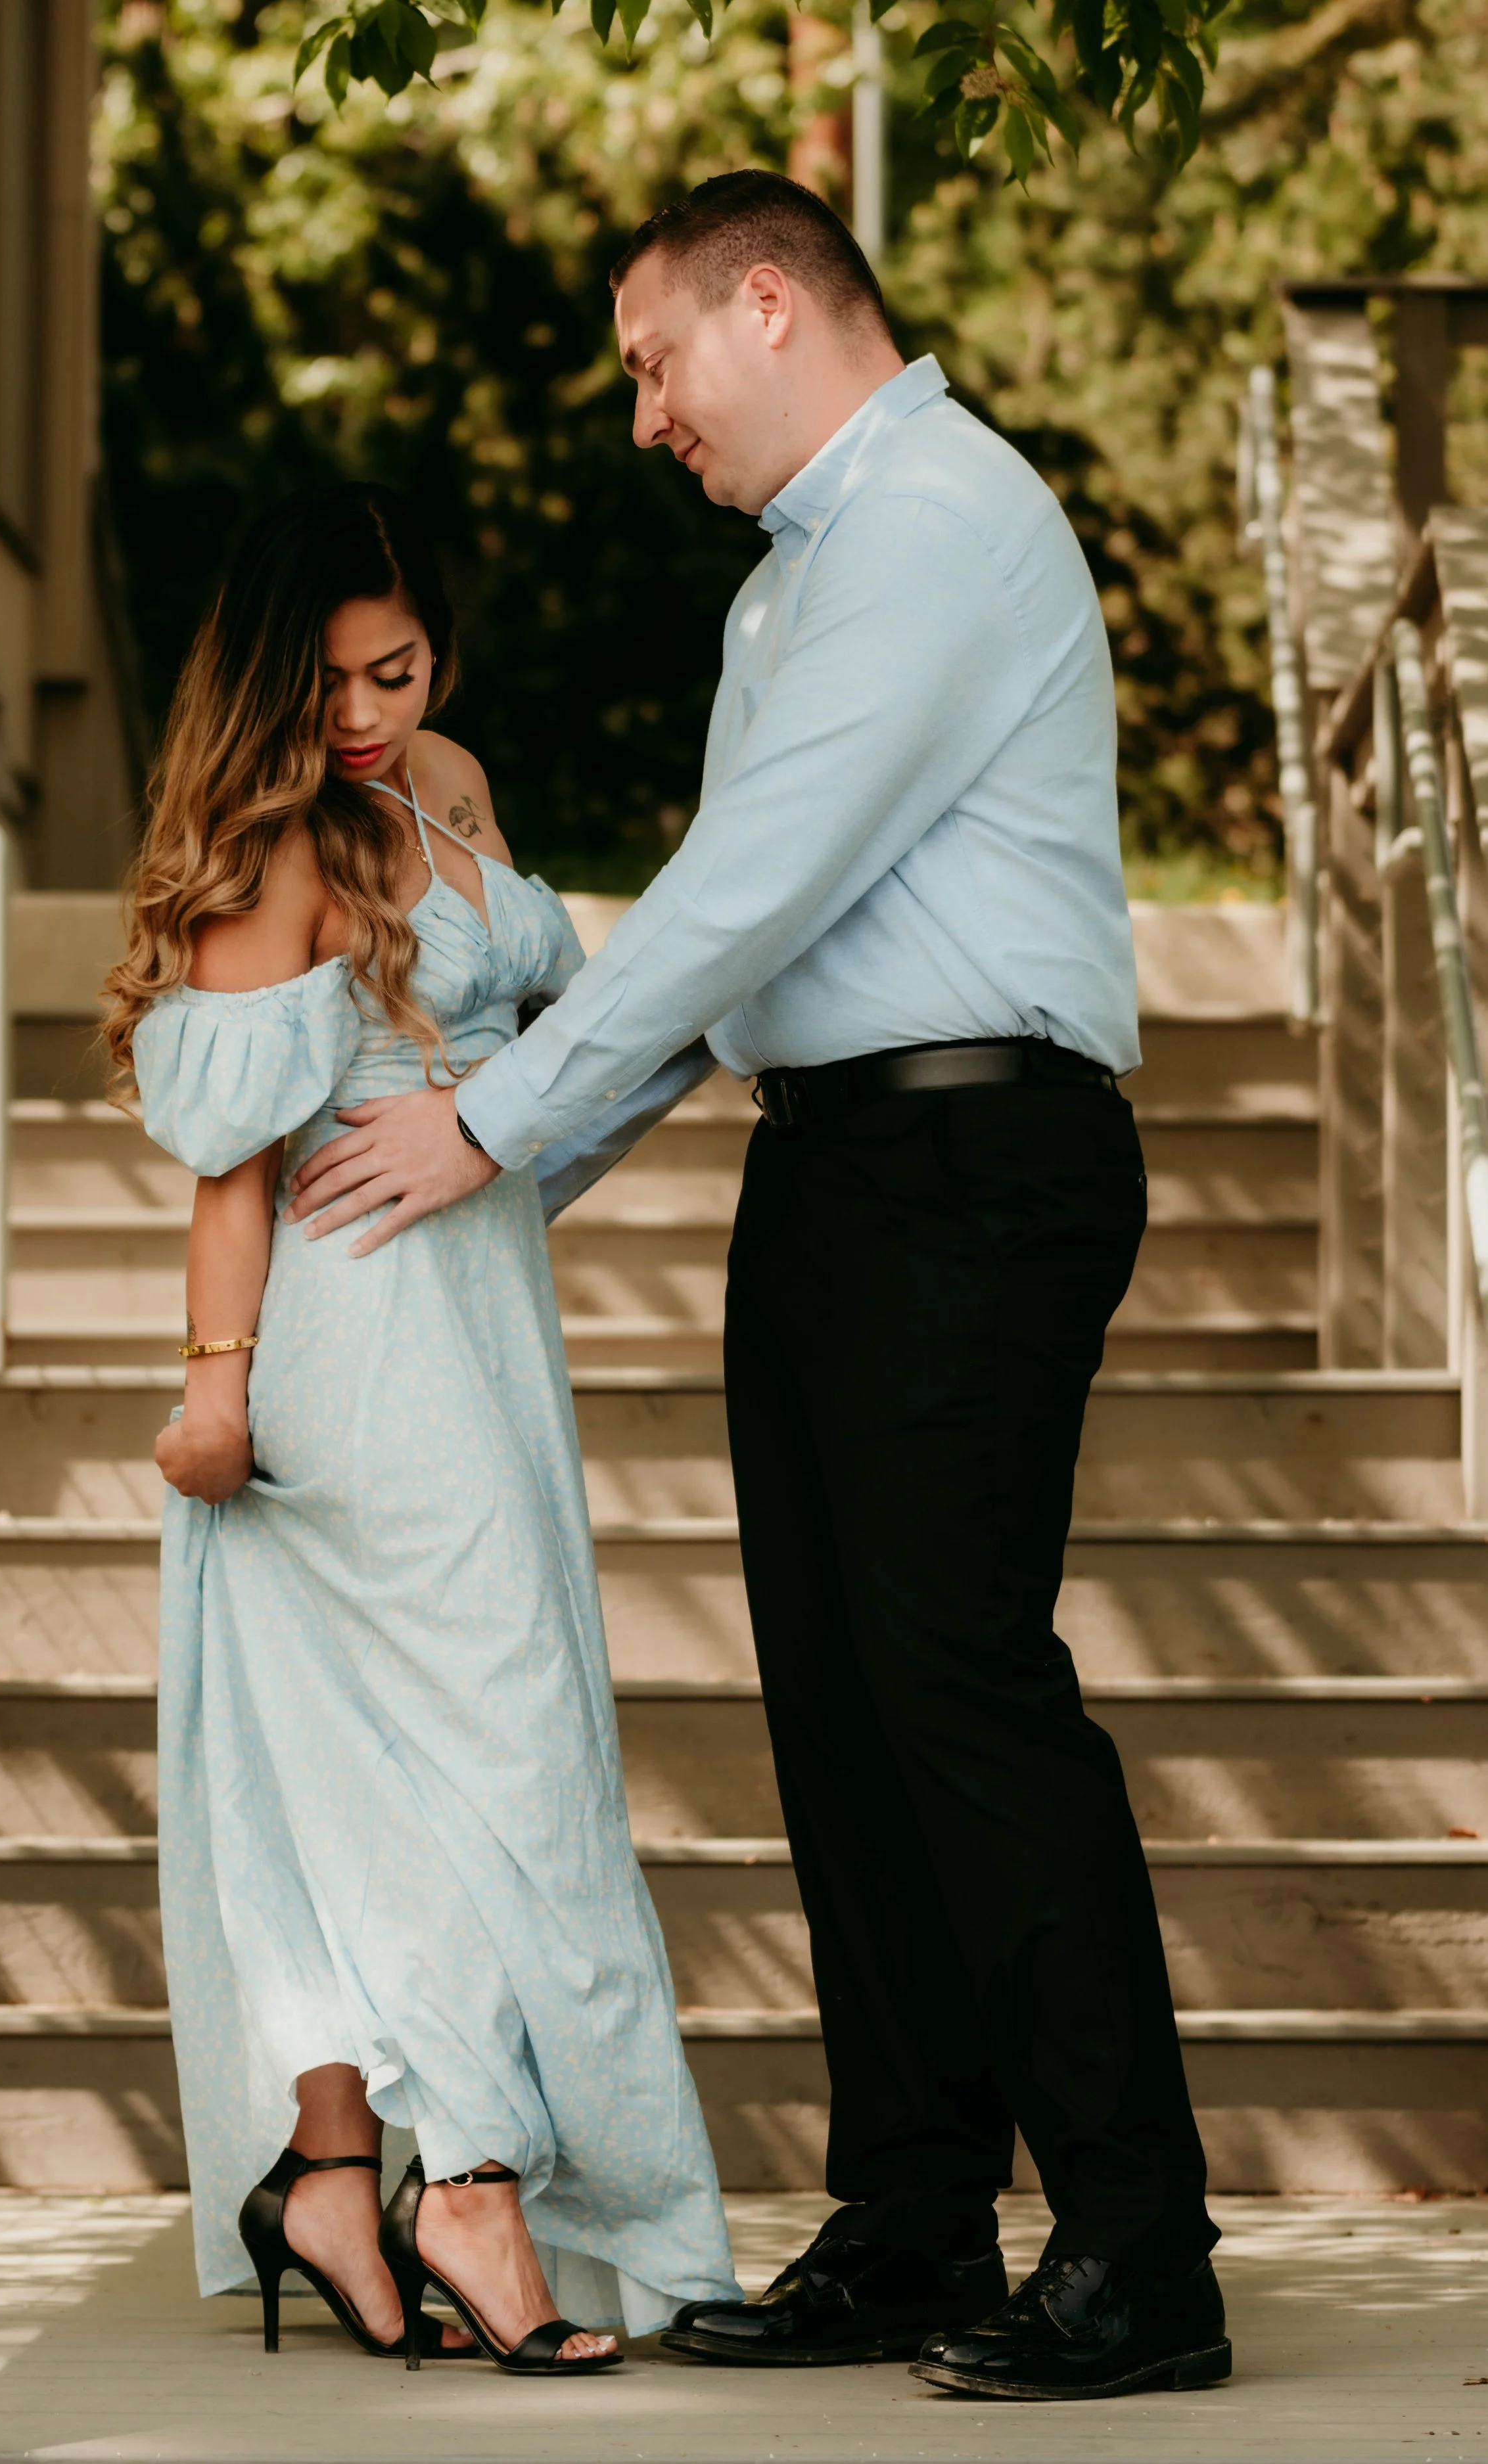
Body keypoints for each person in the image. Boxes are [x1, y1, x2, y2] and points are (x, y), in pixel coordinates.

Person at [282, 173, 1232, 2405]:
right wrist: (524, 1182)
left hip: (973, 1158)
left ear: (773, 302)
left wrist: (490, 1132)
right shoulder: (786, 589)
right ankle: (913, 2213)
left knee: (960, 1690)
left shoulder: (936, 522)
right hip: (830, 1168)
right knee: (835, 1703)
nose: (640, 416)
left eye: (651, 360)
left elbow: (738, 893)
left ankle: (1139, 2245)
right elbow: (744, 965)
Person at [101, 482, 740, 2379]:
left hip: (477, 1306)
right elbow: (231, 1162)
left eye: (400, 667)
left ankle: (341, 2174)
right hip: (346, 1332)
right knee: (481, 1759)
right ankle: (464, 2177)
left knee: (504, 1740)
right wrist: (215, 1379)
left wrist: (503, 1128)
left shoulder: (440, 779)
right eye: (329, 682)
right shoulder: (274, 844)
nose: (368, 711)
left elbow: (542, 1016)